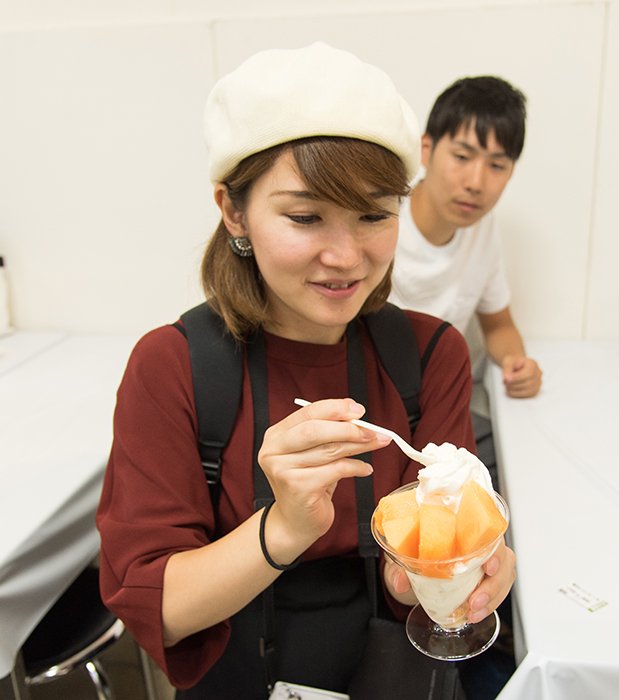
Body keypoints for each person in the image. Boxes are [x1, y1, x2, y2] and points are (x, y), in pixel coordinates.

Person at [96, 43, 515, 699]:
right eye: (305, 216)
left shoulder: (430, 355)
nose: (345, 256)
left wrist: (450, 570)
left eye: (374, 214)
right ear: (234, 211)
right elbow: (157, 608)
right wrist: (284, 526)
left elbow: (421, 559)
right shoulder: (173, 366)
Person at [389, 76, 542, 401]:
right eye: (461, 156)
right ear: (425, 149)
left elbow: (499, 325)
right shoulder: (381, 222)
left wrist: (517, 364)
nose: (476, 182)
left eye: (497, 165)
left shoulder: (482, 228)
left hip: (441, 400)